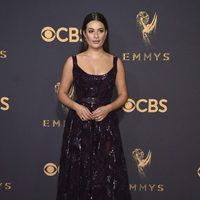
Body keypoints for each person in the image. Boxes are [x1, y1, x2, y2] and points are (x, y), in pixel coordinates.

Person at [56, 12, 132, 200]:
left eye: (100, 31)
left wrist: (108, 108)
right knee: (77, 175)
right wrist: (77, 106)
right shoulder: (72, 61)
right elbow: (62, 94)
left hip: (106, 127)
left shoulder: (116, 62)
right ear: (84, 34)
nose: (96, 36)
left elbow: (123, 96)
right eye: (91, 31)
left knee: (107, 175)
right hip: (78, 126)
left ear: (106, 34)